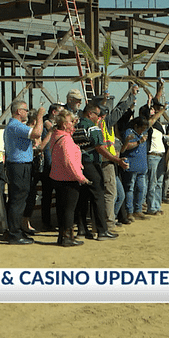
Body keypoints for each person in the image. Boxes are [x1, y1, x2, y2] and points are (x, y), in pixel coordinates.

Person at [74, 103, 122, 240]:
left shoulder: (76, 125)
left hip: (78, 163)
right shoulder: (92, 127)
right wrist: (116, 159)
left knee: (82, 196)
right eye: (98, 114)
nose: (99, 117)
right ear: (90, 114)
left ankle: (82, 228)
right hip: (91, 163)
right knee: (98, 195)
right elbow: (100, 147)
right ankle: (102, 230)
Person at [3, 100, 45, 244]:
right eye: (25, 110)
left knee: (20, 198)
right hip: (18, 165)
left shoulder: (16, 127)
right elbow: (37, 133)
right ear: (18, 111)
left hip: (21, 164)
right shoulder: (15, 126)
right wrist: (40, 117)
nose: (27, 113)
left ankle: (16, 230)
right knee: (18, 199)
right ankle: (14, 233)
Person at [95, 85, 137, 231]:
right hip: (107, 162)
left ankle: (109, 220)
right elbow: (119, 111)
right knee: (112, 194)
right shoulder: (104, 123)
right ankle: (108, 223)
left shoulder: (101, 124)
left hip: (108, 161)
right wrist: (131, 97)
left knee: (117, 194)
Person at [48, 109, 89, 246]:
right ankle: (68, 237)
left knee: (61, 208)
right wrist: (81, 178)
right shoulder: (66, 140)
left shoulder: (56, 135)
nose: (74, 124)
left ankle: (63, 236)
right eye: (71, 122)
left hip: (57, 177)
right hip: (69, 179)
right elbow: (69, 162)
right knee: (69, 210)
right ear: (65, 125)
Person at [21, 109, 53, 235]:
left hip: (39, 166)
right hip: (33, 166)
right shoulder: (30, 132)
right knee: (30, 196)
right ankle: (25, 222)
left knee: (35, 195)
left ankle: (27, 222)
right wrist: (50, 133)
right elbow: (38, 148)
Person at [141, 93, 167, 215]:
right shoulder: (147, 124)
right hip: (152, 155)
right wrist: (162, 109)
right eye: (151, 109)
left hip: (161, 155)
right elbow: (152, 118)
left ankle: (157, 206)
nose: (154, 111)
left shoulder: (160, 126)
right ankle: (151, 207)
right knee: (152, 183)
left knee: (159, 183)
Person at [121, 116, 150, 221]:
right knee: (130, 189)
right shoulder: (129, 132)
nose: (143, 130)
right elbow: (125, 147)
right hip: (132, 166)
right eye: (142, 128)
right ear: (136, 126)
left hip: (142, 166)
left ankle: (138, 210)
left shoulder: (144, 133)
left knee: (141, 189)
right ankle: (129, 212)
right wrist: (139, 142)